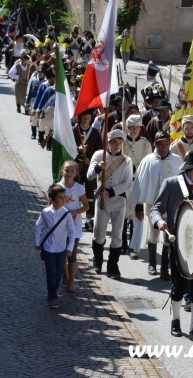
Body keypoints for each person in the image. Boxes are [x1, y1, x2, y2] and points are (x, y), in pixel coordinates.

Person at [150, 149, 193, 342]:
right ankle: (175, 320)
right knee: (178, 287)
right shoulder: (171, 184)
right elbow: (156, 208)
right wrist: (159, 222)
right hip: (177, 243)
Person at [129, 131, 182, 270]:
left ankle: (165, 268)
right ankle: (152, 264)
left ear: (169, 144)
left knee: (168, 236)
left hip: (171, 205)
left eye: (166, 144)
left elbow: (182, 183)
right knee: (153, 234)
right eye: (160, 145)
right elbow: (140, 185)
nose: (163, 148)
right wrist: (139, 206)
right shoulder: (148, 161)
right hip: (153, 204)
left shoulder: (177, 160)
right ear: (155, 145)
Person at [87, 130, 133, 279]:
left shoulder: (126, 161)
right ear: (108, 142)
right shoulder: (98, 155)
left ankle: (113, 266)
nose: (117, 145)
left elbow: (127, 183)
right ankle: (98, 261)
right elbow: (89, 176)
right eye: (114, 142)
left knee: (117, 236)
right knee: (99, 234)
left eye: (120, 142)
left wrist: (111, 192)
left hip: (119, 201)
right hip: (102, 200)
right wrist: (98, 168)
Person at [34, 184, 75, 309]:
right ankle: (52, 297)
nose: (63, 199)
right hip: (48, 248)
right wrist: (37, 242)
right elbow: (37, 226)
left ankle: (53, 292)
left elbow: (71, 230)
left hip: (61, 248)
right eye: (60, 197)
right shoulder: (45, 212)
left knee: (58, 274)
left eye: (64, 197)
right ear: (52, 199)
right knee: (51, 272)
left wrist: (70, 247)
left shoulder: (66, 214)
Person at [120, 114, 153, 254]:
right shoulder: (121, 142)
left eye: (137, 128)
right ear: (127, 128)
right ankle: (122, 242)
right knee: (122, 213)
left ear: (140, 128)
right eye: (132, 128)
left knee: (136, 214)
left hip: (139, 181)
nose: (134, 130)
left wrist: (136, 170)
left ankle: (134, 246)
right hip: (123, 181)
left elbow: (148, 163)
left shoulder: (146, 144)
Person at [58, 161, 89, 293]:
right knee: (61, 253)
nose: (69, 173)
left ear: (76, 174)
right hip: (60, 225)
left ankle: (71, 281)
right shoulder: (57, 187)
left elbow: (86, 206)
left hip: (74, 226)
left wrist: (74, 212)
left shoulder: (79, 188)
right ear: (62, 171)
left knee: (72, 253)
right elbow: (50, 205)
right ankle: (64, 272)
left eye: (72, 171)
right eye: (66, 171)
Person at [73, 110, 103, 231]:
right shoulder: (73, 130)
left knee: (90, 192)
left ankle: (89, 220)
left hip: (89, 167)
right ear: (79, 118)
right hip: (75, 167)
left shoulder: (95, 133)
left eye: (88, 117)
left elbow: (100, 150)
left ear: (91, 119)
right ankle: (75, 217)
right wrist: (78, 149)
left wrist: (90, 159)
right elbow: (67, 147)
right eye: (83, 117)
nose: (85, 120)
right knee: (75, 191)